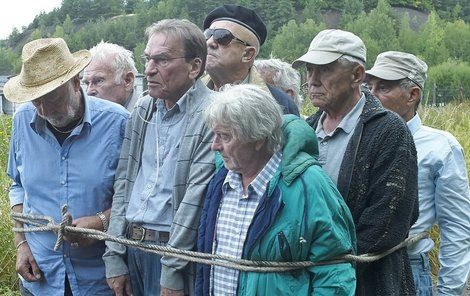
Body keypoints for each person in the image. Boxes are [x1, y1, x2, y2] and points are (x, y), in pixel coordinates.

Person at [195, 84, 357, 295]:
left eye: (225, 136)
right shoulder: (221, 181)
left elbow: (334, 274)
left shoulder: (309, 186)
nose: (214, 146)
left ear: (259, 138)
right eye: (214, 135)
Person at [292, 29, 419, 295]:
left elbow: (388, 220)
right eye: (309, 70)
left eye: (324, 70)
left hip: (369, 282)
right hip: (311, 281)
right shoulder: (306, 129)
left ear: (357, 75)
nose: (312, 80)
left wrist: (330, 270)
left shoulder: (388, 130)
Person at [4, 38, 128, 295]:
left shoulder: (118, 124)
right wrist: (22, 245)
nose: (43, 109)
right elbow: (17, 186)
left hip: (100, 280)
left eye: (51, 98)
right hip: (41, 279)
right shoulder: (22, 120)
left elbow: (136, 197)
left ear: (75, 82)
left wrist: (101, 222)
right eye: (35, 100)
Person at [103, 19, 215, 296]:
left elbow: (194, 201)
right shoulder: (143, 109)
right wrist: (114, 253)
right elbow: (124, 183)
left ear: (195, 67)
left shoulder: (213, 114)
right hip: (133, 246)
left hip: (174, 253)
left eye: (162, 60)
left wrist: (173, 271)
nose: (149, 69)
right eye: (148, 58)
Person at [365, 51, 470, 295]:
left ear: (413, 94)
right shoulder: (358, 139)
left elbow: (456, 225)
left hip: (408, 269)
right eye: (369, 86)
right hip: (357, 268)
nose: (372, 95)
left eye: (383, 88)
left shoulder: (440, 147)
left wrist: (449, 291)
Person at [202, 4, 299, 115]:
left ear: (248, 54)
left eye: (222, 36)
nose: (210, 43)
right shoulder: (187, 94)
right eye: (208, 34)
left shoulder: (279, 105)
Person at [83, 41, 139, 111]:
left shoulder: (147, 118)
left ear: (127, 81)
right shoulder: (93, 116)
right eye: (87, 83)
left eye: (98, 81)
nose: (89, 91)